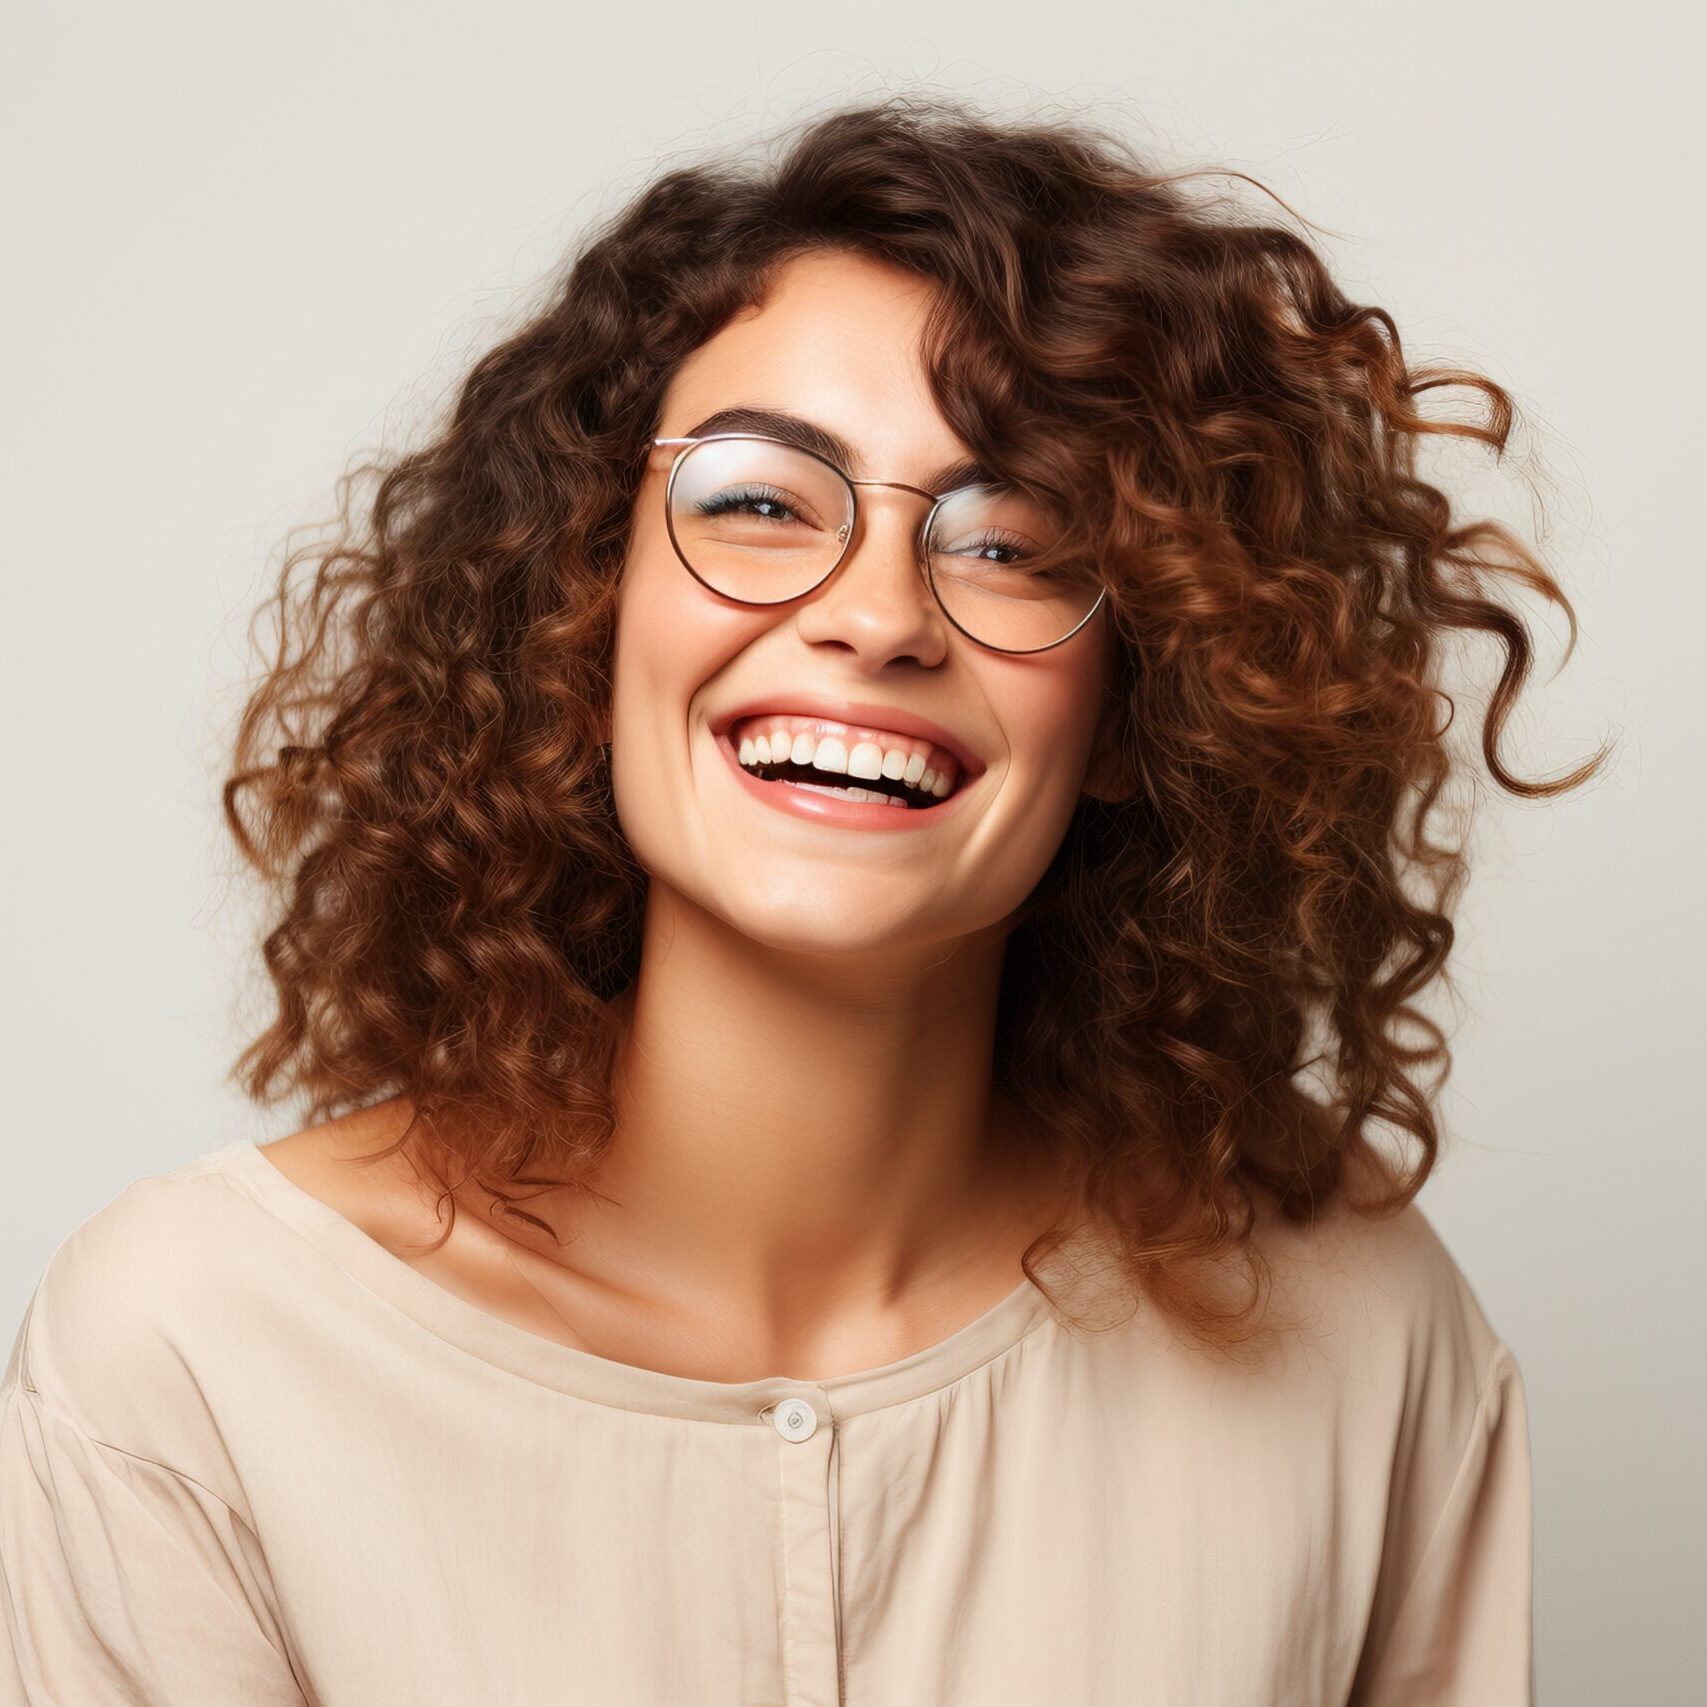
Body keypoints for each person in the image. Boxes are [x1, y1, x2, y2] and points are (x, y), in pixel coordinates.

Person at [0, 93, 1604, 1704]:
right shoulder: (195, 1362)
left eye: (1013, 542)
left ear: (1132, 710)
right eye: (761, 501)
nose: (879, 616)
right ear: (584, 607)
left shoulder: (1366, 1346)